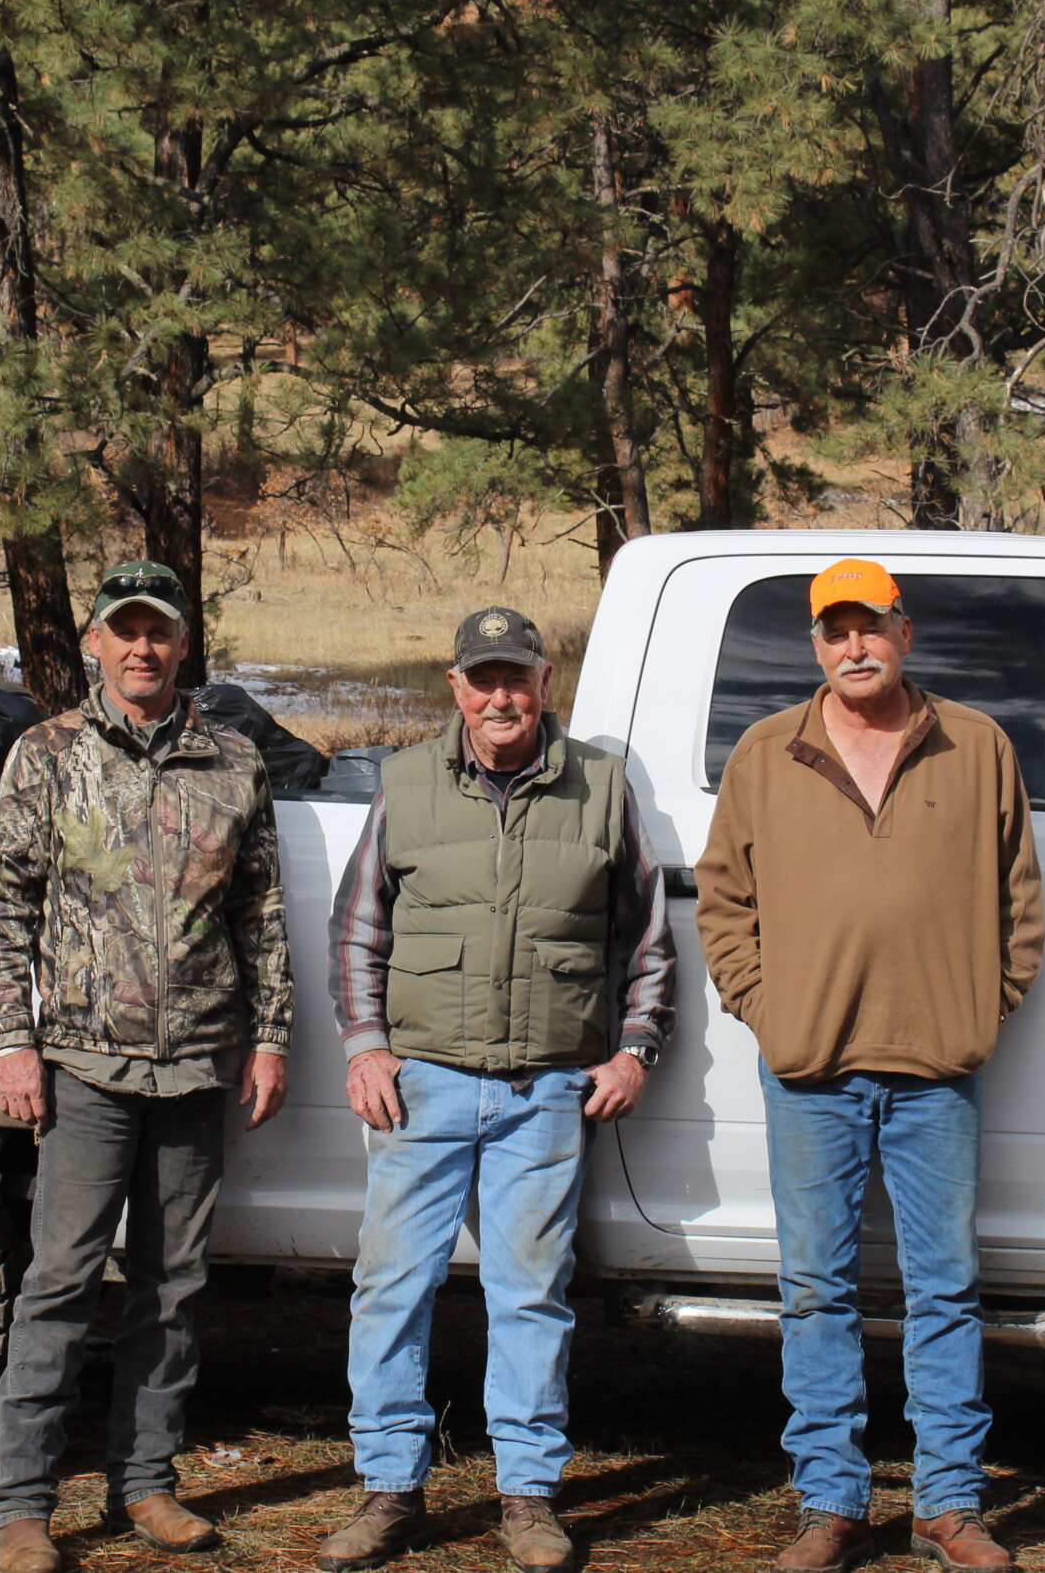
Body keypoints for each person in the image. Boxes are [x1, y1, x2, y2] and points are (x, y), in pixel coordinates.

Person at [695, 559, 1045, 1573]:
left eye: (872, 628)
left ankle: (946, 1505)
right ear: (815, 646)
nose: (856, 647)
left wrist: (984, 1008)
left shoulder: (975, 746)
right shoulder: (767, 753)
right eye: (835, 631)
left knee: (946, 1290)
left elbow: (1021, 903)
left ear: (905, 633)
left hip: (938, 1067)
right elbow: (722, 902)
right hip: (809, 1068)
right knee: (814, 1290)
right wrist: (768, 1009)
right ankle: (831, 1504)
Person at [317, 606, 676, 1573]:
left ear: (544, 680)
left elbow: (644, 937)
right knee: (391, 1288)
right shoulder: (403, 783)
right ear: (456, 687)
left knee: (532, 1296)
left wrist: (635, 1047)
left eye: (516, 675)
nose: (500, 695)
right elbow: (358, 929)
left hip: (548, 1091)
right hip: (420, 1084)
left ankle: (528, 1497)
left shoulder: (601, 785)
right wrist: (364, 1046)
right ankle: (390, 1489)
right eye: (483, 679)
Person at [0, 560, 293, 1573]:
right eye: (126, 630)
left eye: (160, 630)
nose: (143, 647)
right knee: (61, 1283)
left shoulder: (234, 762)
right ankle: (21, 1507)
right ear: (98, 643)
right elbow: (5, 905)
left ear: (184, 643)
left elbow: (263, 917)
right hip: (82, 1063)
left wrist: (272, 1038)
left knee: (172, 1287)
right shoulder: (48, 754)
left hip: (198, 1063)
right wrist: (13, 1039)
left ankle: (148, 1484)